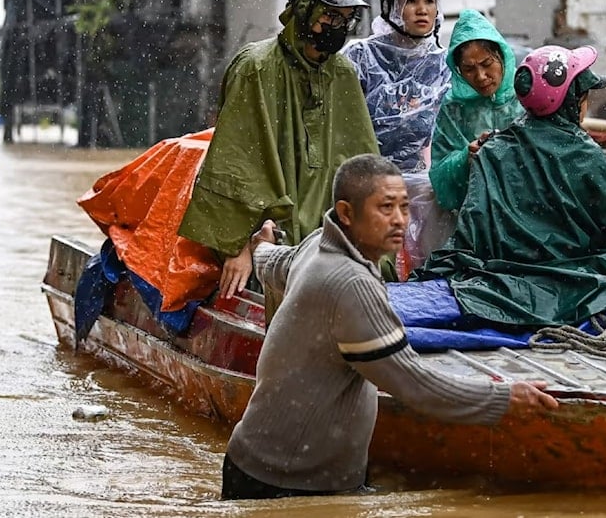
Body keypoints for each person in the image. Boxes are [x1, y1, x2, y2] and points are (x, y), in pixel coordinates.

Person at [221, 154, 558, 500]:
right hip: (286, 485)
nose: (399, 220)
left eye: (404, 207)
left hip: (263, 466)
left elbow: (275, 262)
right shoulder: (351, 283)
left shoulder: (318, 246)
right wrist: (503, 398)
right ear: (347, 213)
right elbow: (411, 381)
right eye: (385, 208)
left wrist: (259, 245)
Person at [414, 46, 606, 326]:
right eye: (584, 96)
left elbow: (474, 230)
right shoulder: (584, 153)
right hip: (575, 276)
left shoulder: (492, 148)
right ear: (573, 100)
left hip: (501, 277)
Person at [178, 0, 380, 303]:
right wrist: (237, 246)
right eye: (330, 17)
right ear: (302, 11)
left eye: (346, 19)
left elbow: (361, 163)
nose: (339, 27)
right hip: (270, 235)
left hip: (327, 237)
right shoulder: (256, 67)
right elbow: (235, 162)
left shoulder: (343, 73)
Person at [342, 0, 450, 173]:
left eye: (430, 1)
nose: (423, 10)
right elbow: (341, 127)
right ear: (388, 7)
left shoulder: (445, 64)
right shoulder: (360, 56)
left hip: (428, 185)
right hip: (369, 178)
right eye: (411, 0)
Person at [429, 9, 526, 212]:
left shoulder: (526, 92)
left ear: (502, 57)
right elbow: (439, 175)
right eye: (469, 69)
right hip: (477, 214)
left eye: (487, 64)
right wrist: (465, 158)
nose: (481, 76)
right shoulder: (454, 107)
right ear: (458, 71)